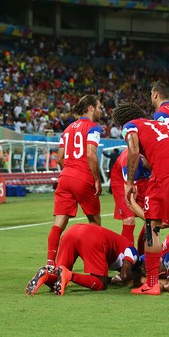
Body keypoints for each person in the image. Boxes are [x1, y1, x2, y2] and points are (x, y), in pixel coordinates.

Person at [112, 102, 169, 294]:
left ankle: (152, 283)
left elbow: (134, 150)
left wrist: (130, 182)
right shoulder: (161, 124)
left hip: (166, 170)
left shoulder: (130, 126)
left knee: (151, 227)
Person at [46, 95, 102, 269]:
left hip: (65, 177)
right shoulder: (93, 128)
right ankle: (95, 266)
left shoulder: (68, 129)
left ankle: (49, 264)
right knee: (95, 224)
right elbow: (91, 154)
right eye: (99, 107)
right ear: (91, 108)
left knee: (58, 224)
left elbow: (60, 157)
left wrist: (70, 171)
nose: (101, 110)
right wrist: (97, 179)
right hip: (83, 177)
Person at [26, 224, 139, 296]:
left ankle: (45, 275)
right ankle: (70, 275)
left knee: (59, 276)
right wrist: (138, 277)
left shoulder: (122, 251)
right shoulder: (134, 253)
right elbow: (125, 274)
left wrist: (112, 280)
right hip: (91, 236)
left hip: (72, 232)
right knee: (101, 284)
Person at [110, 149, 151, 246]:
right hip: (121, 180)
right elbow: (130, 202)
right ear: (143, 157)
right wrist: (149, 219)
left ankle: (143, 256)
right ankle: (128, 255)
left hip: (141, 178)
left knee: (151, 214)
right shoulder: (130, 163)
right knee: (129, 219)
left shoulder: (156, 162)